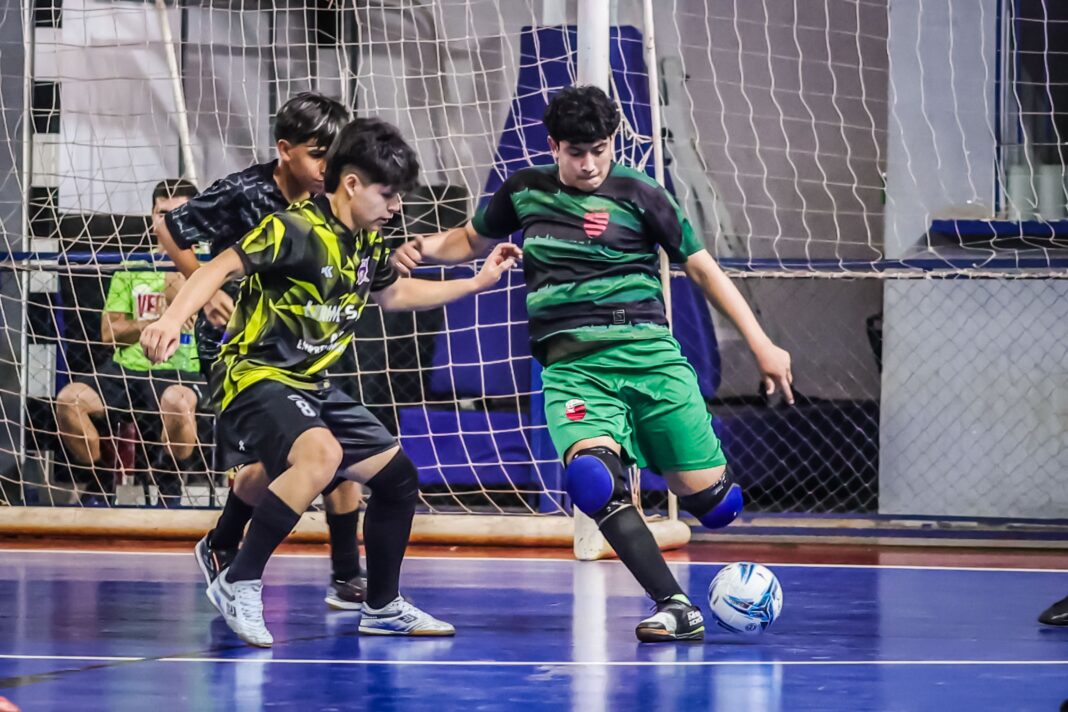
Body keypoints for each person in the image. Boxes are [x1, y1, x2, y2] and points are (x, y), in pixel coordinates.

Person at [392, 85, 794, 643]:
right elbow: (467, 238)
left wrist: (762, 344)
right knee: (592, 479)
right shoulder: (525, 191)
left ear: (614, 143)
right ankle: (674, 606)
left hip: (650, 359)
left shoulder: (641, 192)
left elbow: (702, 269)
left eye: (600, 150)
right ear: (553, 145)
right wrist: (420, 247)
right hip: (573, 368)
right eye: (576, 152)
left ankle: (679, 471)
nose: (589, 164)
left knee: (716, 506)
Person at [142, 117, 521, 647]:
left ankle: (382, 605)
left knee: (397, 478)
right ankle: (238, 579)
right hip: (253, 371)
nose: (394, 208)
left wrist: (475, 282)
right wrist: (171, 318)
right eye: (387, 195)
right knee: (319, 458)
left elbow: (393, 297)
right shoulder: (293, 228)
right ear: (351, 184)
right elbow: (216, 269)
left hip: (309, 382)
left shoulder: (368, 241)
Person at [158, 91, 366, 610]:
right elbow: (169, 228)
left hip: (305, 349)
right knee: (292, 462)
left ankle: (344, 575)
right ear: (285, 149)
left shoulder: (335, 200)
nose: (328, 168)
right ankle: (231, 549)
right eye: (318, 155)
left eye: (334, 156)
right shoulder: (242, 191)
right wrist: (208, 295)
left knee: (332, 456)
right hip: (240, 350)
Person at [56, 178, 203, 507]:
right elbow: (110, 333)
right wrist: (157, 322)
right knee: (68, 401)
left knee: (179, 404)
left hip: (179, 368)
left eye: (179, 214)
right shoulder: (132, 267)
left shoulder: (206, 269)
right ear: (152, 217)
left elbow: (211, 317)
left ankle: (169, 482)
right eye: (161, 214)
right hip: (126, 367)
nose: (169, 222)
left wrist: (176, 266)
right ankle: (99, 483)